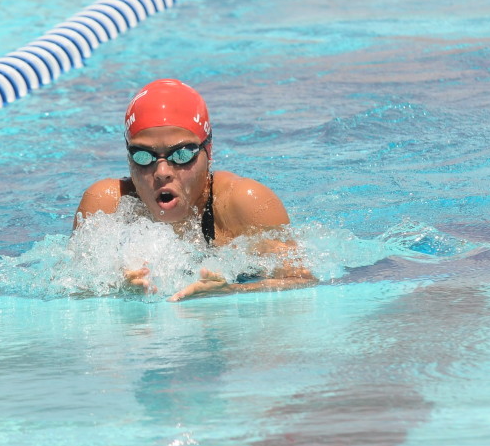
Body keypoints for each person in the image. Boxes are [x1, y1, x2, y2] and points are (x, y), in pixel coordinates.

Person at [73, 78, 315, 301]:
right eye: (144, 156)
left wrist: (232, 291)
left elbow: (303, 281)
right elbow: (63, 286)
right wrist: (114, 288)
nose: (162, 172)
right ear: (129, 159)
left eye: (182, 154)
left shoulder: (243, 204)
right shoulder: (106, 205)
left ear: (208, 153)